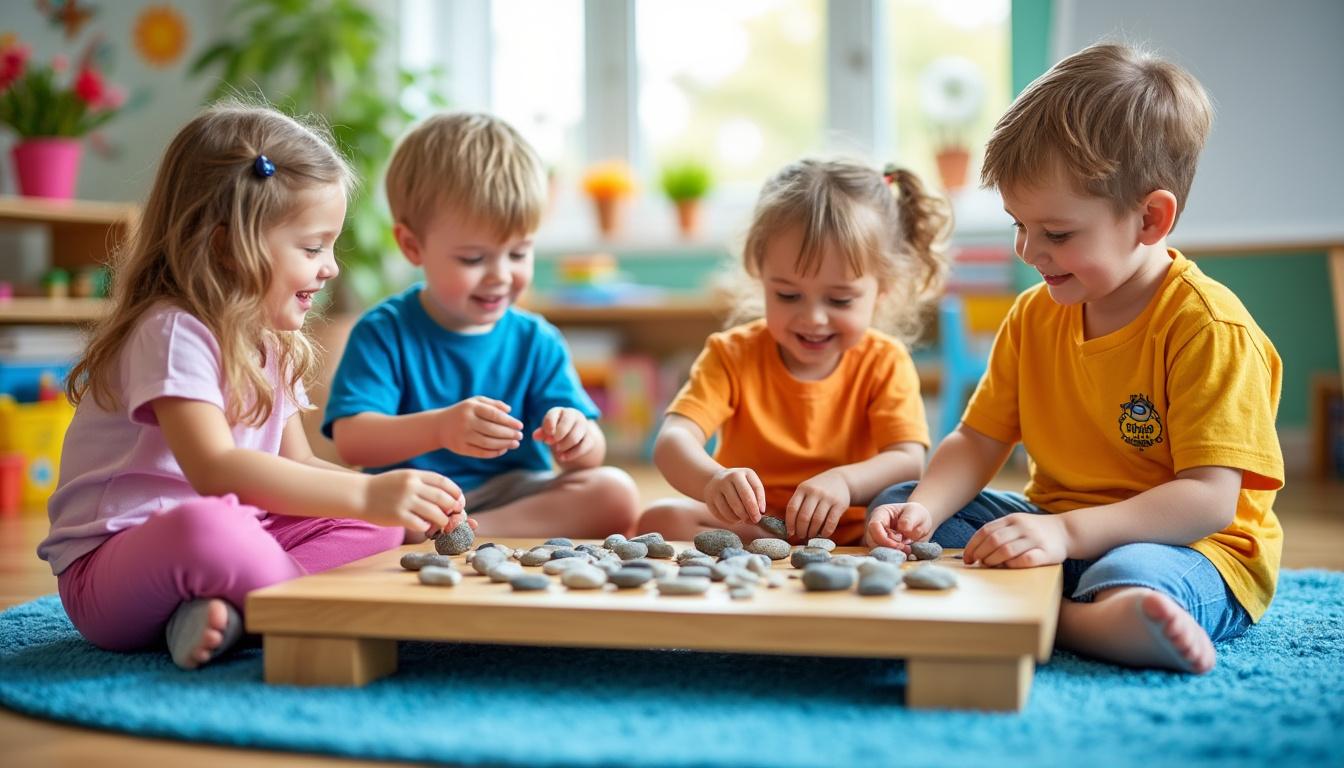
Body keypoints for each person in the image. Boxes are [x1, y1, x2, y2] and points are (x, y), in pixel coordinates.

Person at [867, 42, 1283, 674]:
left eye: (1057, 234)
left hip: (1190, 545)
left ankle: (1076, 617)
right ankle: (1066, 604)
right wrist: (923, 509)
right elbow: (978, 439)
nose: (1029, 251)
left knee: (1136, 571)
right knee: (899, 498)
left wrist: (1066, 537)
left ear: (1150, 218)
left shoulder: (1207, 327)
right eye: (1018, 225)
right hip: (1059, 528)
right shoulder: (1034, 315)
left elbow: (1208, 501)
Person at [39, 104, 468, 670]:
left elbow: (299, 465)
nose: (332, 267)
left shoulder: (272, 341)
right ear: (225, 245)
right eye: (313, 248)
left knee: (377, 521)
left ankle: (236, 610)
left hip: (237, 534)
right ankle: (292, 610)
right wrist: (366, 495)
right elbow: (214, 470)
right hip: (113, 569)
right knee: (210, 525)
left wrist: (388, 494)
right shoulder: (172, 329)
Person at [323, 112, 639, 538]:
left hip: (515, 495)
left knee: (615, 491)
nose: (501, 276)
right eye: (474, 259)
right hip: (417, 496)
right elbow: (352, 441)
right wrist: (439, 428)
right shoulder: (384, 331)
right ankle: (443, 531)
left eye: (518, 253)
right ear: (413, 246)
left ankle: (471, 533)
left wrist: (579, 438)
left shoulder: (536, 340)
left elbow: (588, 459)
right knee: (347, 514)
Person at [639, 159, 949, 545]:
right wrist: (712, 480)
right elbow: (674, 440)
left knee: (912, 526)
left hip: (855, 531)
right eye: (788, 295)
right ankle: (756, 544)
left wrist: (844, 482)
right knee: (661, 517)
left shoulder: (884, 361)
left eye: (839, 299)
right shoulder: (731, 353)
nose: (813, 318)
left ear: (881, 290)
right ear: (760, 274)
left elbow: (907, 460)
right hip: (751, 524)